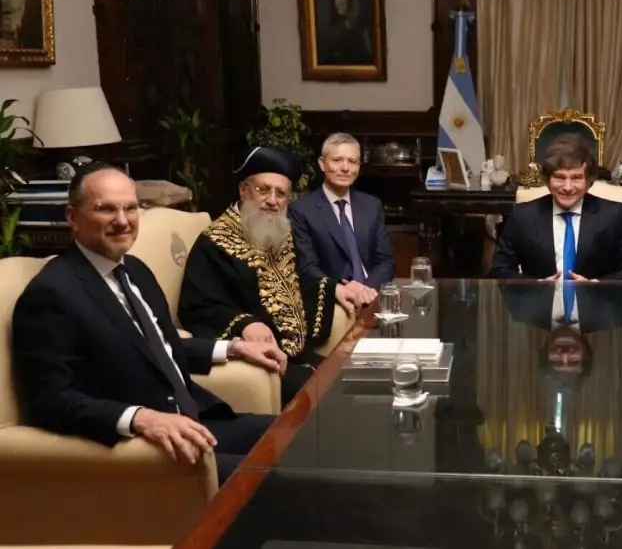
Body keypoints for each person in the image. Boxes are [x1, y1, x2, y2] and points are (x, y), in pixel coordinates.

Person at [12, 163, 285, 483]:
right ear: (72, 217)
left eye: (130, 208)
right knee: (279, 480)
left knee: (299, 436)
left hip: (195, 421)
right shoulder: (52, 294)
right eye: (106, 209)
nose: (122, 220)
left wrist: (234, 348)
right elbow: (50, 401)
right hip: (148, 447)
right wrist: (139, 419)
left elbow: (156, 344)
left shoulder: (135, 270)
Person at [179, 147, 355, 406]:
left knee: (354, 381)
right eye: (263, 190)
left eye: (281, 193)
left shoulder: (277, 232)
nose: (272, 200)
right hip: (266, 360)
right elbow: (199, 306)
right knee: (335, 402)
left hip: (298, 355)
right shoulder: (214, 243)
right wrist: (245, 324)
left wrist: (331, 288)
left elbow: (297, 281)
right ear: (243, 190)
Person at [488, 133, 622, 281]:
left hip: (596, 307)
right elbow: (500, 269)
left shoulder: (613, 215)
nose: (567, 187)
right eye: (559, 177)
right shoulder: (523, 216)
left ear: (588, 181)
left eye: (576, 178)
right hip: (539, 308)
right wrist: (535, 285)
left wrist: (598, 286)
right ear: (548, 180)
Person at [289, 132, 395, 305]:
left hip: (372, 296)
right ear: (322, 164)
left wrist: (367, 289)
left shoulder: (371, 205)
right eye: (337, 160)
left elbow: (386, 260)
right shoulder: (301, 210)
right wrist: (342, 289)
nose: (345, 168)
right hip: (333, 300)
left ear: (358, 167)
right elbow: (307, 267)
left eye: (352, 162)